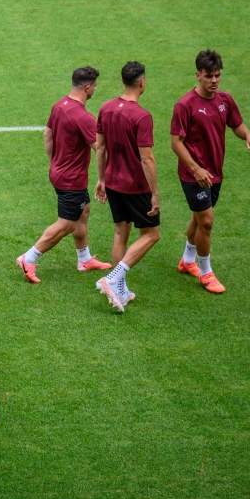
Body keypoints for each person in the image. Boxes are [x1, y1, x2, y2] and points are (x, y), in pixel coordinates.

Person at [171, 50, 250, 294]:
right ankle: (206, 272)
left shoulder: (225, 100)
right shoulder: (185, 105)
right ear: (197, 75)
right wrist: (196, 168)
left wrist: (249, 136)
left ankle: (187, 261)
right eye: (209, 76)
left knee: (198, 219)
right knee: (207, 222)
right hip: (194, 174)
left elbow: (236, 124)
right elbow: (176, 142)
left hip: (214, 173)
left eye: (217, 75)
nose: (214, 80)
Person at [17, 67, 112, 282]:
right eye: (95, 87)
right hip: (72, 179)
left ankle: (84, 259)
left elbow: (47, 135)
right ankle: (28, 258)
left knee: (84, 211)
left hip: (59, 173)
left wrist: (55, 163)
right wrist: (103, 179)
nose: (94, 90)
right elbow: (100, 149)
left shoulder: (59, 105)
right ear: (88, 87)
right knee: (67, 223)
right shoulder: (84, 117)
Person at [94, 62, 161, 312]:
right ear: (142, 83)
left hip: (112, 181)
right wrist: (154, 193)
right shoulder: (141, 116)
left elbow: (100, 148)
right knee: (152, 234)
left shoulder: (106, 108)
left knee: (121, 231)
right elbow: (147, 158)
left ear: (122, 81)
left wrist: (101, 179)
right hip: (135, 186)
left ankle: (120, 291)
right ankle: (113, 279)